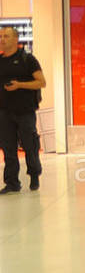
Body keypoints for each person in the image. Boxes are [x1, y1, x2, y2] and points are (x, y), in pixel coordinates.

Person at [0, 26, 45, 194]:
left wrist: (20, 85)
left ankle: (34, 175)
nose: (2, 39)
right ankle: (12, 182)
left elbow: (41, 82)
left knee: (29, 145)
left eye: (6, 36)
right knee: (8, 148)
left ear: (15, 39)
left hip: (25, 111)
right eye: (1, 36)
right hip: (4, 112)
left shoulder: (28, 59)